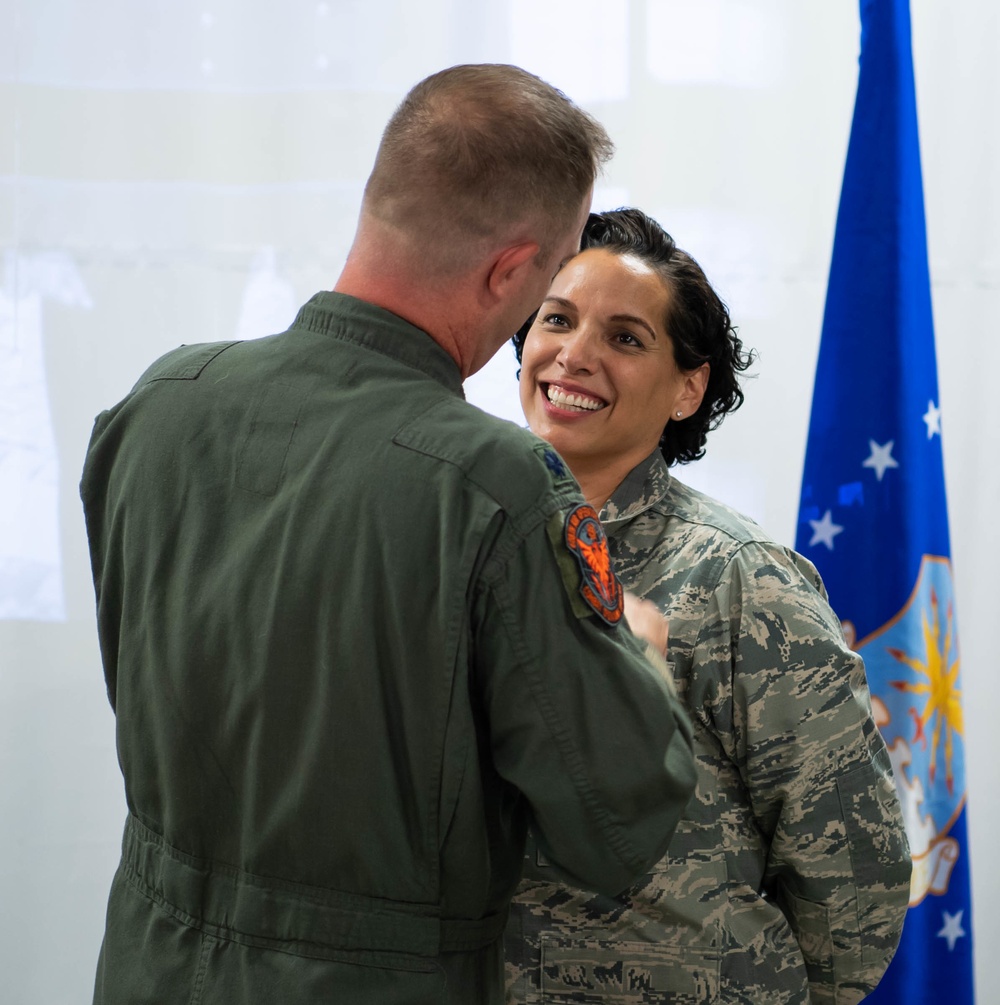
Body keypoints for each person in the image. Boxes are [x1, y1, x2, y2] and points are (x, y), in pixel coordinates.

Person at [80, 69, 698, 1005]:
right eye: (551, 277)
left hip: (147, 970)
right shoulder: (497, 486)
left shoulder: (160, 403)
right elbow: (615, 827)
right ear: (508, 270)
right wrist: (638, 657)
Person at [504, 208, 911, 1004]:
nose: (574, 355)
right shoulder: (472, 543)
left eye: (626, 337)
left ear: (688, 388)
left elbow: (853, 875)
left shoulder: (739, 577)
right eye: (557, 319)